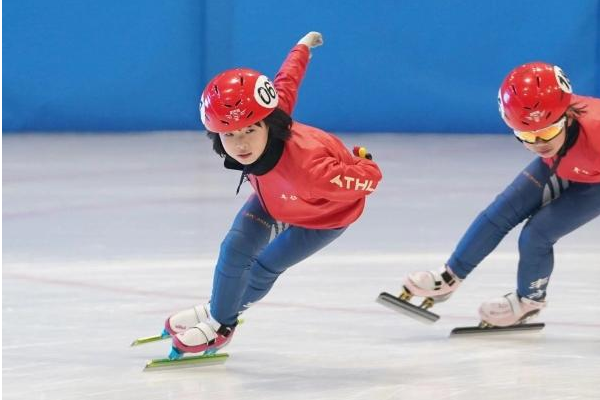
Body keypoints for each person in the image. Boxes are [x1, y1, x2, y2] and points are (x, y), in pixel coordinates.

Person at [164, 32, 382, 357]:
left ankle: (221, 325)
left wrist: (363, 162)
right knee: (235, 247)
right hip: (276, 200)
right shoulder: (268, 112)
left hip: (323, 217)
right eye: (230, 135)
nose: (241, 144)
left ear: (268, 123)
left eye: (250, 130)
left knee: (264, 266)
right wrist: (302, 47)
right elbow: (286, 81)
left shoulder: (312, 170)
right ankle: (219, 311)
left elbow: (370, 181)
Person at [400, 62, 600, 327]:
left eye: (549, 131)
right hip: (564, 165)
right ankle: (448, 278)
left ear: (568, 117)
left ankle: (528, 302)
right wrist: (547, 135)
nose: (540, 144)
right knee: (500, 211)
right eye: (526, 136)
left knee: (537, 234)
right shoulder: (548, 139)